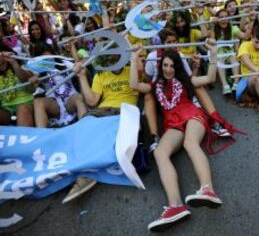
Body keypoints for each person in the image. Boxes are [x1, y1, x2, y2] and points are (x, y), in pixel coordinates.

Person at [129, 39, 222, 231]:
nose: (169, 69)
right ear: (160, 66)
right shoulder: (155, 85)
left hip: (192, 115)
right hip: (173, 123)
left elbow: (210, 78)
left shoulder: (185, 80)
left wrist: (213, 53)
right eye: (165, 65)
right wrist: (133, 57)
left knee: (190, 143)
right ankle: (175, 206)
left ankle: (208, 190)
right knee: (160, 153)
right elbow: (134, 85)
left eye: (172, 66)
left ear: (177, 66)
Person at [65, 53, 140, 204]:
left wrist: (134, 58)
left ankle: (86, 175)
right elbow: (92, 101)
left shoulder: (131, 69)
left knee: (111, 136)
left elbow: (136, 83)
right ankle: (81, 170)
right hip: (103, 109)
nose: (114, 60)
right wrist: (82, 76)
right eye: (110, 57)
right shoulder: (101, 75)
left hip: (124, 110)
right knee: (83, 127)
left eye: (116, 56)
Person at [0, 47, 34, 127]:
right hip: (6, 110)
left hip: (25, 104)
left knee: (22, 109)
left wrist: (13, 62)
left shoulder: (22, 67)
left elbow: (24, 79)